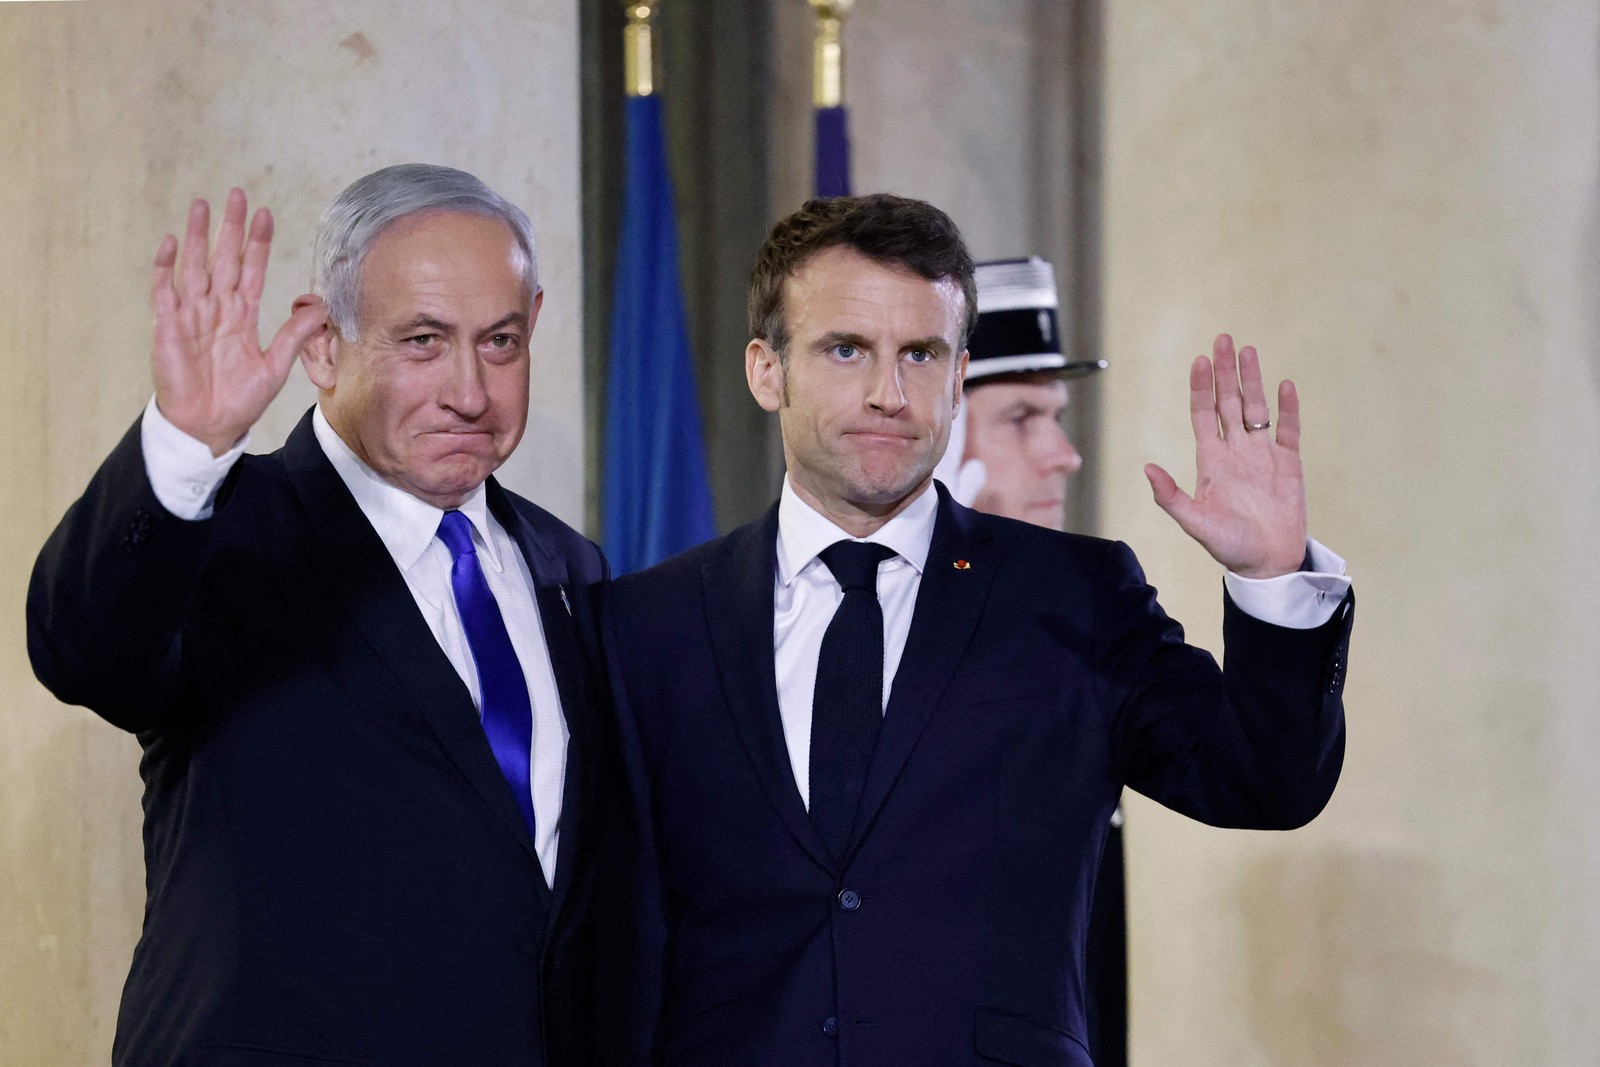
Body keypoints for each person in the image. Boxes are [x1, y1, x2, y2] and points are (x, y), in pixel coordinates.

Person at [599, 193, 1353, 1066]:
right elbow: (611, 945)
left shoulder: (1073, 596)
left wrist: (1269, 578)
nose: (889, 393)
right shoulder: (645, 626)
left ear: (958, 377)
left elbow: (1265, 782)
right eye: (847, 350)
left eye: (920, 354)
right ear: (767, 370)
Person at [27, 165, 609, 1067]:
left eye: (499, 342)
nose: (470, 390)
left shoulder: (568, 566)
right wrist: (187, 448)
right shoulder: (226, 532)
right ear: (323, 347)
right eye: (422, 341)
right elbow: (82, 647)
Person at [935, 254, 1127, 1067]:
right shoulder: (815, 609)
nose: (1063, 453)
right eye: (1021, 417)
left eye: (1056, 414)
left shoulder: (1080, 613)